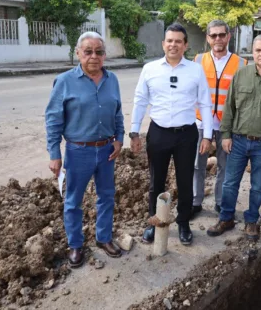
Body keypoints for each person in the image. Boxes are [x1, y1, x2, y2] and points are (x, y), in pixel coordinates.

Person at [45, 32, 125, 268]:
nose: (94, 56)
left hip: (107, 150)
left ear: (104, 55)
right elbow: (53, 120)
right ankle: (76, 244)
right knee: (73, 201)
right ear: (78, 53)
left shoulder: (112, 80)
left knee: (107, 196)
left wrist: (119, 139)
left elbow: (118, 112)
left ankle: (104, 238)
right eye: (88, 51)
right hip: (78, 151)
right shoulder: (64, 81)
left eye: (99, 52)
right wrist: (54, 154)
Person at [130, 23, 213, 246]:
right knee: (156, 181)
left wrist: (207, 135)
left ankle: (183, 223)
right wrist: (134, 131)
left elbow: (205, 102)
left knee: (185, 180)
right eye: (169, 40)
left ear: (185, 45)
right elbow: (140, 101)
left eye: (178, 41)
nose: (173, 45)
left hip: (187, 134)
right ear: (163, 44)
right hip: (158, 133)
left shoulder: (195, 70)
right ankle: (153, 223)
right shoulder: (150, 69)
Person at [207, 34, 261, 241]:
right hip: (237, 140)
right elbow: (229, 107)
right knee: (230, 183)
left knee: (258, 185)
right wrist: (226, 135)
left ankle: (251, 221)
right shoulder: (241, 75)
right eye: (258, 50)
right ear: (253, 52)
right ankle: (226, 218)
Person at [191, 20, 248, 218]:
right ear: (208, 38)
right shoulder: (197, 60)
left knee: (225, 167)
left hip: (227, 126)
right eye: (213, 35)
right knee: (197, 165)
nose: (218, 39)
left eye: (221, 35)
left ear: (228, 36)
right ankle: (195, 201)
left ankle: (220, 202)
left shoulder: (241, 64)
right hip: (200, 123)